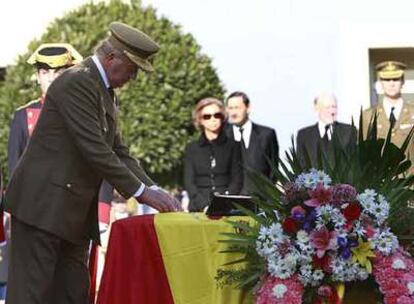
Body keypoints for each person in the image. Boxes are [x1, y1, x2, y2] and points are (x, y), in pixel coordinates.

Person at [4, 22, 181, 304]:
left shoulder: (103, 89)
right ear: (112, 58)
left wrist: (154, 188)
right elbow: (95, 150)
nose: (134, 77)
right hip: (42, 209)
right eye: (133, 69)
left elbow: (119, 151)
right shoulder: (78, 81)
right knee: (31, 296)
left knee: (74, 295)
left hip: (69, 215)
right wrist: (141, 192)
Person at [184, 97, 242, 212]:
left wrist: (222, 203)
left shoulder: (234, 146)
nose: (213, 119)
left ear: (223, 117)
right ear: (200, 120)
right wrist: (205, 206)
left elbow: (237, 180)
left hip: (227, 207)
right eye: (207, 116)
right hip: (198, 209)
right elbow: (189, 183)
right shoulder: (191, 148)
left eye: (217, 115)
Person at [363, 61, 414, 174]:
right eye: (386, 80)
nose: (391, 83)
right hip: (381, 183)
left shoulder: (412, 112)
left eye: (396, 79)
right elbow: (364, 153)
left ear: (403, 82)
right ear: (380, 83)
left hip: (410, 181)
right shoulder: (368, 116)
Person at [225, 91, 279, 194]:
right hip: (230, 200)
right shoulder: (222, 136)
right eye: (230, 108)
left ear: (248, 108)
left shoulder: (266, 134)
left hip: (260, 200)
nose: (233, 113)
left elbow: (273, 170)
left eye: (237, 108)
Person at [296, 93, 357, 168]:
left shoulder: (349, 132)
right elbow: (301, 167)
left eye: (334, 107)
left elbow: (355, 164)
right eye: (327, 107)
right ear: (316, 109)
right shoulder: (304, 135)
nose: (332, 111)